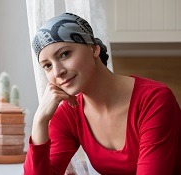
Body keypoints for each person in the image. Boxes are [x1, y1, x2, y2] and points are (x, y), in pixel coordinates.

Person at [23, 12, 181, 175]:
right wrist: (39, 121)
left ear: (93, 48)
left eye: (65, 54)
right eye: (47, 65)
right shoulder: (69, 114)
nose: (57, 72)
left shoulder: (155, 100)